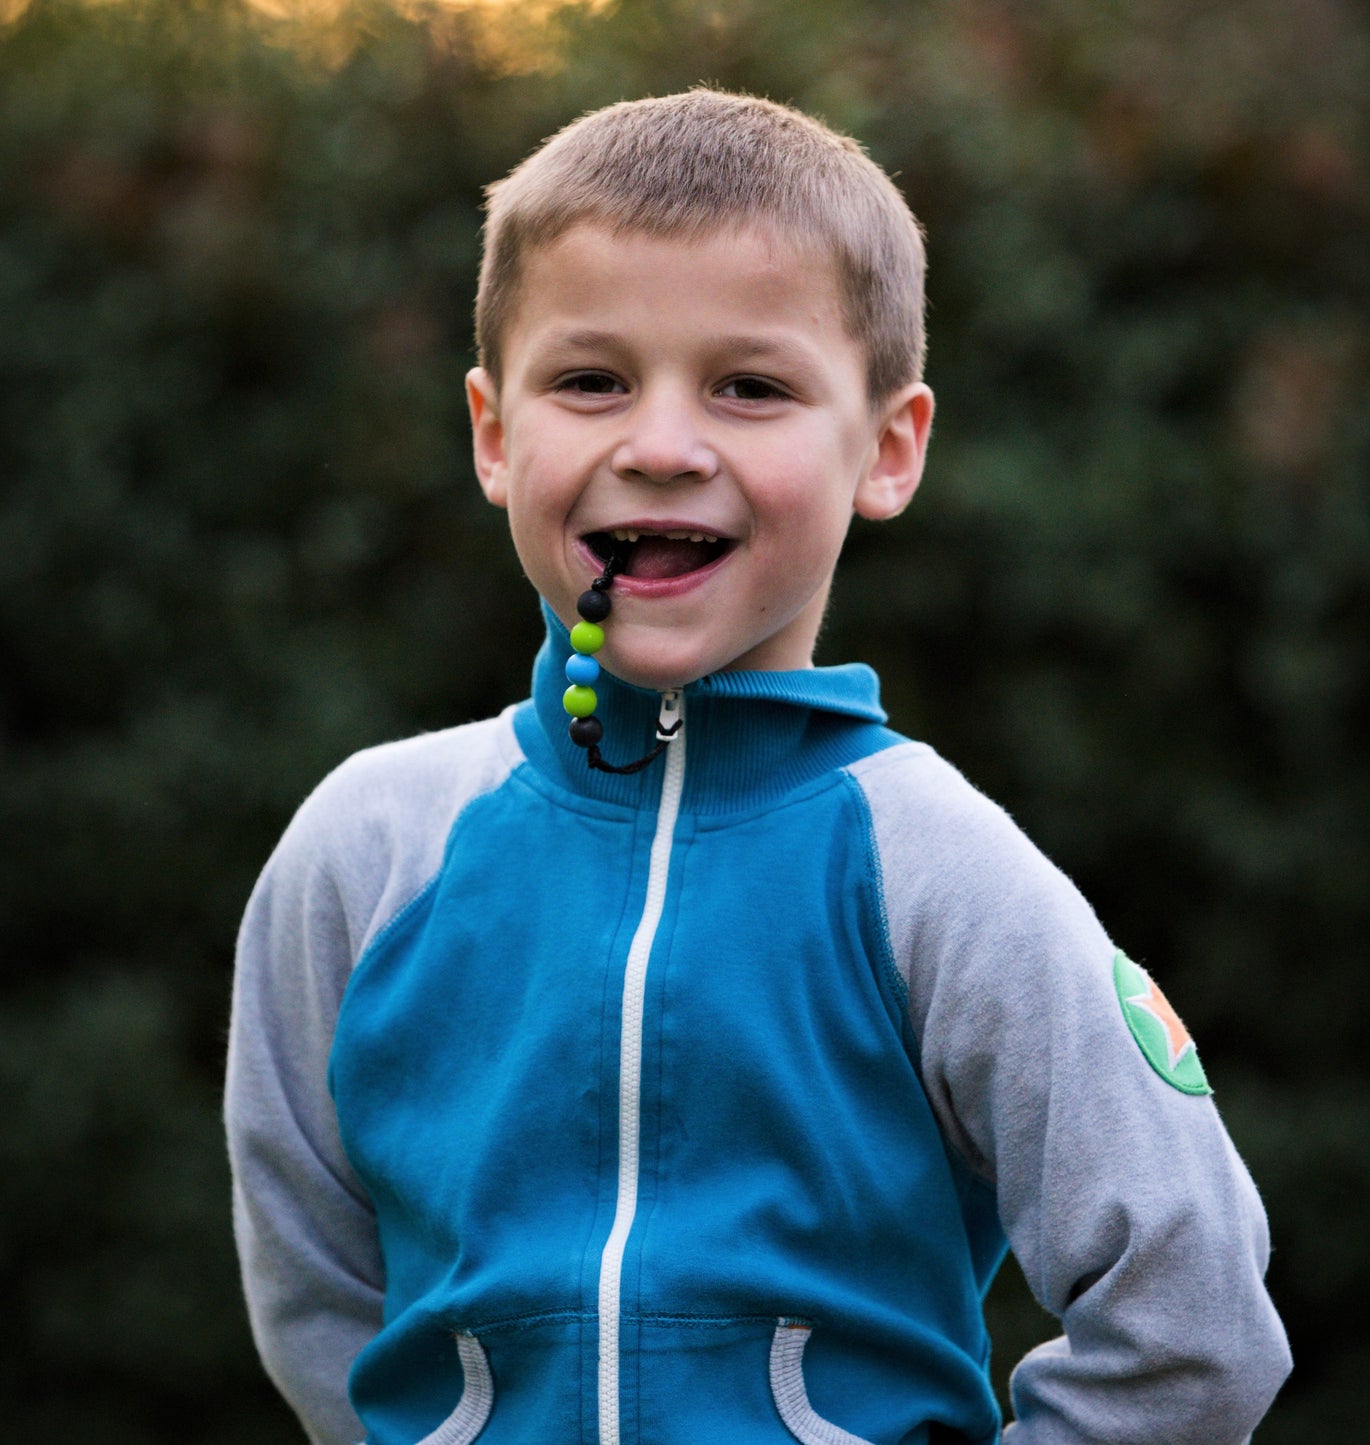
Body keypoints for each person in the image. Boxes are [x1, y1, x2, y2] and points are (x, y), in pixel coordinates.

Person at [225, 89, 1290, 1445]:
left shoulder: (937, 870)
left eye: (750, 386)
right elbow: (318, 1290)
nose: (662, 445)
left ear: (887, 448)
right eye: (591, 379)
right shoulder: (364, 852)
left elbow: (1190, 1320)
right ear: (495, 434)